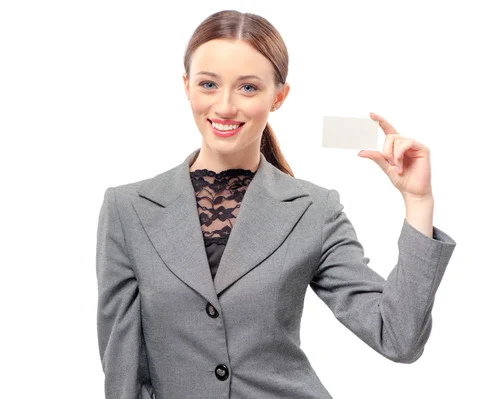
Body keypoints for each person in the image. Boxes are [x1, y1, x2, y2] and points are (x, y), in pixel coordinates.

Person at [95, 9, 457, 399]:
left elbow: (398, 338)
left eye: (248, 88)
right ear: (186, 86)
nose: (225, 107)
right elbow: (122, 368)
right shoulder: (127, 209)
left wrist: (418, 202)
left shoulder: (314, 210)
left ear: (279, 96)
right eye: (208, 84)